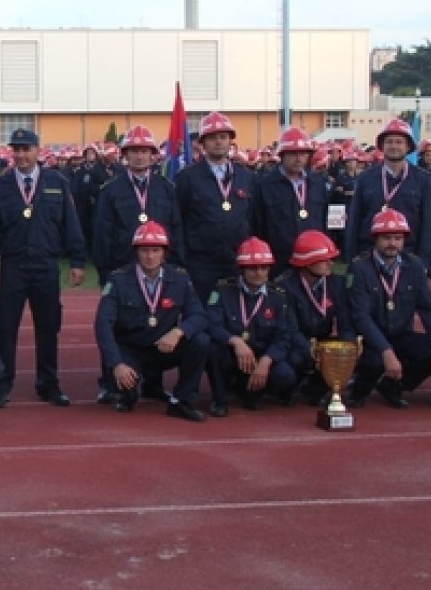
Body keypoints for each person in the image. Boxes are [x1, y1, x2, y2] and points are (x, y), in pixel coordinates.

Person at [0, 127, 87, 408]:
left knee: (48, 327)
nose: (21, 155)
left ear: (37, 151)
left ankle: (48, 384)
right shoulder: (0, 186)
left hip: (46, 264)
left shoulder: (57, 182)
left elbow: (70, 223)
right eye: (16, 149)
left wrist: (77, 260)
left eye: (26, 149)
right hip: (13, 265)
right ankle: (1, 384)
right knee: (5, 328)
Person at [91, 124, 183, 402]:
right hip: (123, 271)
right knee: (117, 325)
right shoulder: (111, 189)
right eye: (134, 151)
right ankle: (110, 380)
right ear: (125, 155)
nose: (140, 156)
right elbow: (102, 232)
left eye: (144, 151)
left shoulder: (167, 188)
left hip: (159, 270)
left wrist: (177, 265)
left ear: (153, 155)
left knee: (159, 322)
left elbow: (176, 228)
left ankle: (154, 383)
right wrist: (105, 272)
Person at [94, 223, 209, 422]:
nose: (150, 256)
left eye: (156, 250)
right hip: (131, 350)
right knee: (128, 395)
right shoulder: (118, 280)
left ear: (164, 253)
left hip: (162, 348)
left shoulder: (180, 279)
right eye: (145, 250)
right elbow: (103, 324)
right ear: (136, 253)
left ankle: (181, 401)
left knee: (201, 341)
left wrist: (179, 332)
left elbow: (199, 315)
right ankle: (126, 391)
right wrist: (116, 364)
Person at [346, 209, 431, 408]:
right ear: (375, 239)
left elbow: (429, 308)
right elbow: (361, 317)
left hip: (400, 334)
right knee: (374, 361)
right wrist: (386, 350)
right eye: (386, 238)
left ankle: (393, 386)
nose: (392, 243)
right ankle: (359, 389)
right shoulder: (359, 268)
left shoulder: (414, 266)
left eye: (398, 238)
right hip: (369, 338)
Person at [204, 237, 305, 416]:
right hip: (234, 355)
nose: (259, 273)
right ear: (242, 269)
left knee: (285, 376)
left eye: (264, 268)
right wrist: (235, 341)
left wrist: (267, 360)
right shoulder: (223, 290)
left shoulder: (279, 296)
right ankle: (219, 400)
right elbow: (211, 324)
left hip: (261, 357)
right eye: (253, 268)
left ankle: (261, 391)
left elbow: (284, 336)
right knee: (211, 348)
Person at [173, 112, 256, 302]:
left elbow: (253, 217)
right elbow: (178, 220)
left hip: (238, 262)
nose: (218, 142)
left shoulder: (246, 177)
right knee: (201, 313)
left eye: (223, 137)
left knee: (237, 312)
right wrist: (182, 259)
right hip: (201, 264)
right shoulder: (187, 177)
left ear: (230, 141)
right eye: (212, 138)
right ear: (202, 143)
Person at [345, 118, 431, 267]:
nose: (394, 146)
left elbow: (429, 224)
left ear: (408, 146)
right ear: (382, 146)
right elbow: (354, 220)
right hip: (369, 255)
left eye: (399, 142)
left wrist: (424, 261)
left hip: (408, 256)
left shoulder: (423, 179)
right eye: (389, 142)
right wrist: (351, 258)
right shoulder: (365, 178)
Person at [277, 229, 355, 405]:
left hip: (323, 341)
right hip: (296, 344)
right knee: (295, 360)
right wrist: (314, 352)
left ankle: (319, 389)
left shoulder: (336, 283)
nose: (331, 264)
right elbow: (290, 329)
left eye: (331, 259)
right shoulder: (285, 287)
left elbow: (345, 321)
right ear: (307, 262)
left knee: (347, 352)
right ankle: (290, 389)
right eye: (324, 260)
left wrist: (348, 349)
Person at [254, 126, 329, 271]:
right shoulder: (264, 185)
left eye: (303, 153)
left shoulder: (318, 183)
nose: (299, 158)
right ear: (282, 155)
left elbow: (324, 220)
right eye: (293, 153)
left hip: (313, 259)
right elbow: (259, 225)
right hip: (280, 261)